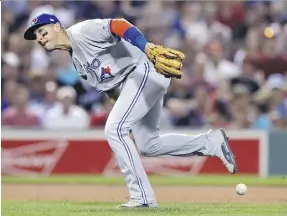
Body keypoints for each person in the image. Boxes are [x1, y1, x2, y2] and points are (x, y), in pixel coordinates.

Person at [24, 13, 237, 208]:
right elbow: (111, 90)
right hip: (136, 84)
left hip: (143, 70)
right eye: (37, 37)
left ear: (58, 27)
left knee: (114, 130)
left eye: (43, 32)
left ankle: (142, 197)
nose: (41, 39)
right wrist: (125, 110)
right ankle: (210, 142)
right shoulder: (78, 62)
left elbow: (119, 24)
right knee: (148, 144)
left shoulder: (82, 31)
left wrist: (146, 47)